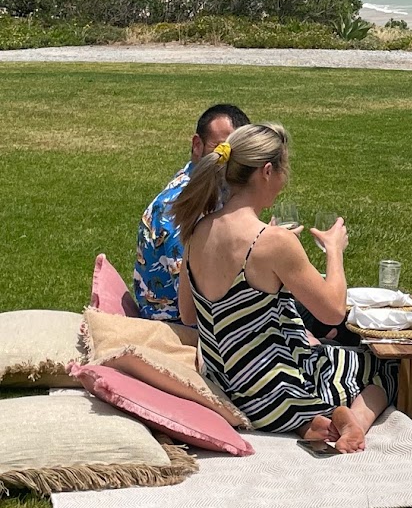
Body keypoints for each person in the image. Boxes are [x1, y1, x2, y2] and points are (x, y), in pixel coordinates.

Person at [174, 123, 395, 452]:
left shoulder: (196, 231)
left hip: (229, 389)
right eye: (284, 169)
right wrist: (335, 251)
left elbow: (188, 313)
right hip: (276, 393)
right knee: (384, 366)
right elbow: (333, 311)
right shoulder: (271, 242)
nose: (285, 179)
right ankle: (350, 421)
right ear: (266, 171)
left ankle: (318, 420)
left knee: (326, 351)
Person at [135, 104, 250, 321]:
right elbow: (197, 303)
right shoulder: (181, 207)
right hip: (179, 327)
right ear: (197, 145)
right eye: (221, 151)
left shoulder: (212, 189)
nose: (229, 163)